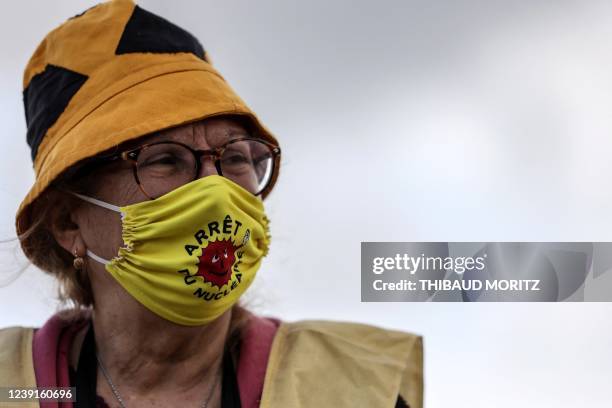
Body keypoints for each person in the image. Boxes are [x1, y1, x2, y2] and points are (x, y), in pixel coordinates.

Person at [0, 1, 423, 407]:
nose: (215, 188)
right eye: (165, 158)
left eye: (236, 157)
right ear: (67, 222)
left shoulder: (361, 388)